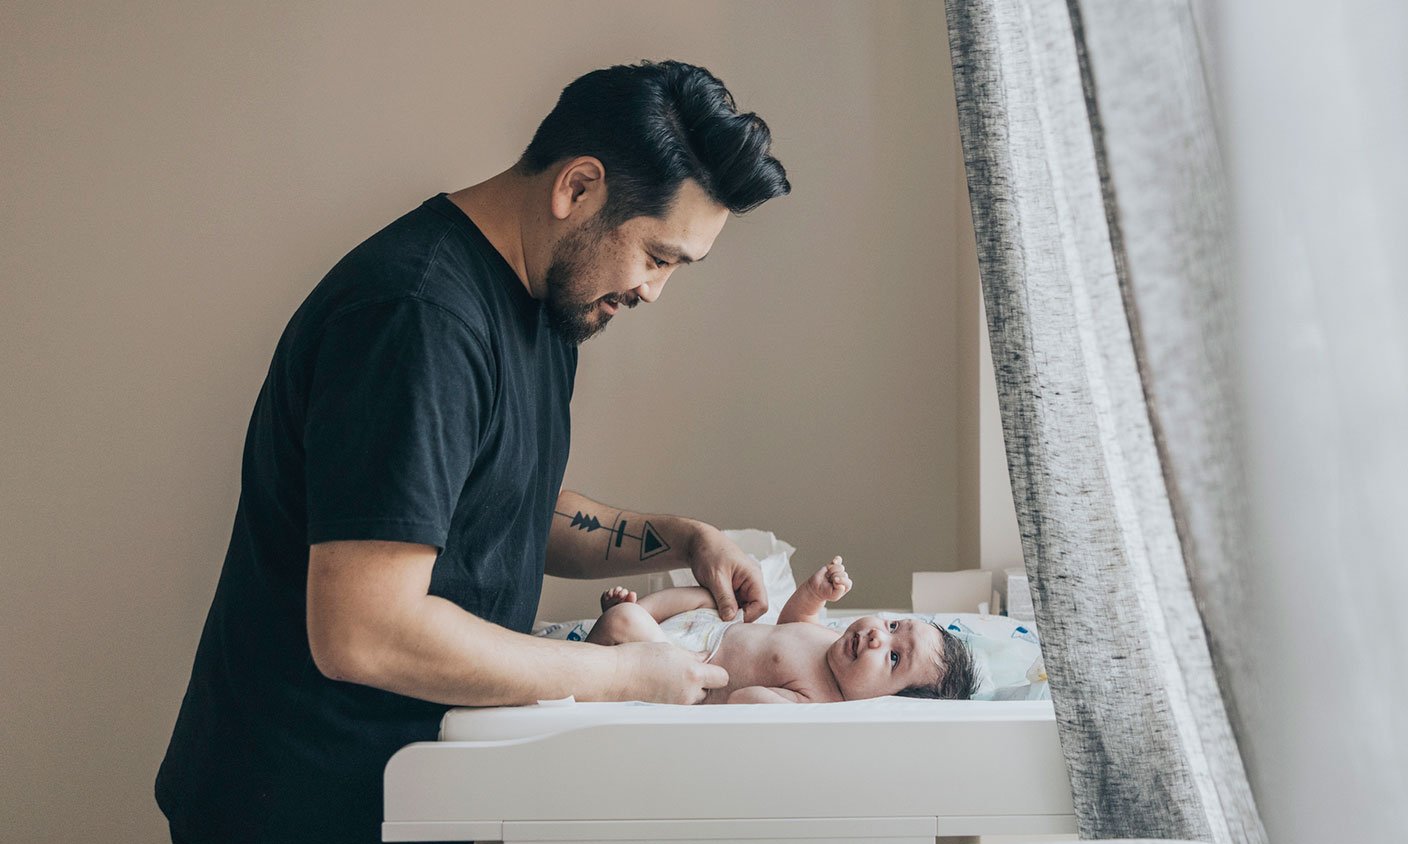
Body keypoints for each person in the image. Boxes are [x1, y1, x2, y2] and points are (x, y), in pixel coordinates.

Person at [156, 60, 790, 844]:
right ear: (578, 188)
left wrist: (677, 539)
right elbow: (363, 629)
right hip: (303, 805)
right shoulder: (416, 318)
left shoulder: (545, 302)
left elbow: (486, 502)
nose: (653, 291)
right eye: (656, 257)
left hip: (408, 789)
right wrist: (617, 677)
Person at [587, 557, 980, 703]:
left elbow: (746, 701)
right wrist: (815, 593)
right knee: (709, 596)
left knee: (624, 622)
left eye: (894, 658)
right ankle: (643, 612)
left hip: (685, 666)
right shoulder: (832, 642)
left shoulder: (819, 700)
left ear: (888, 701)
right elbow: (796, 622)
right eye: (893, 625)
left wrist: (766, 700)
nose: (879, 636)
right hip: (709, 628)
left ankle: (619, 629)